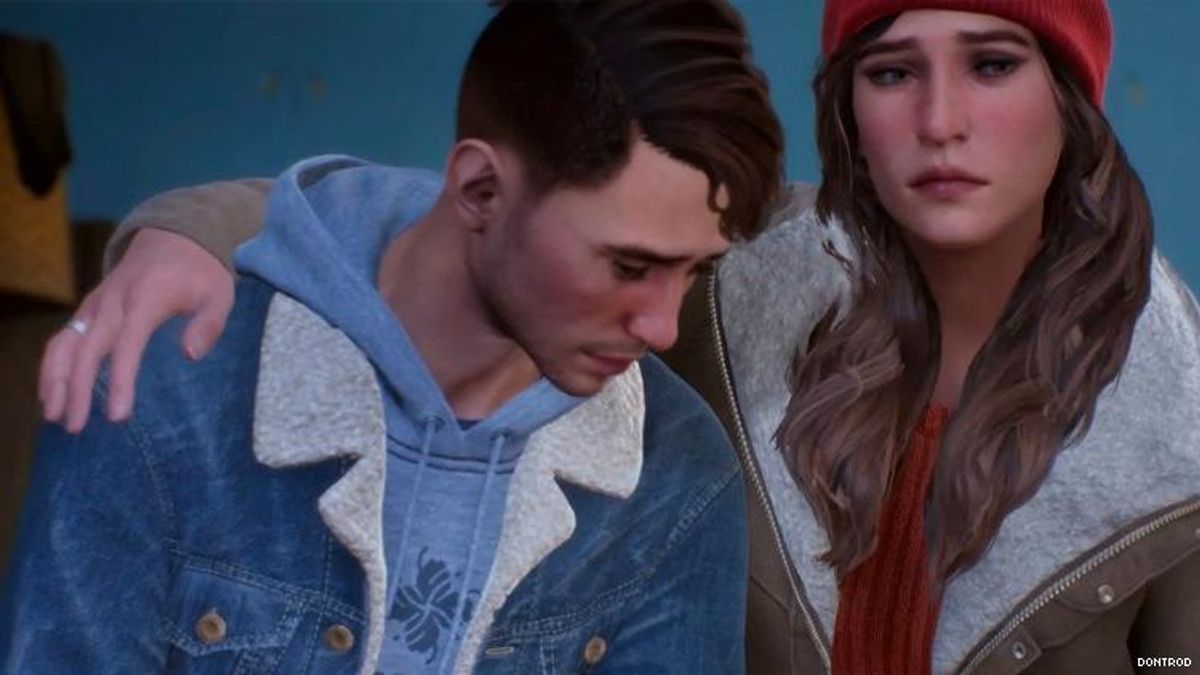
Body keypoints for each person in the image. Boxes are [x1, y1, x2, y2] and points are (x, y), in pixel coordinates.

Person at [24, 0, 1200, 674]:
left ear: (1073, 98)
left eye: (993, 65)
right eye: (892, 72)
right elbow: (469, 217)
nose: (941, 121)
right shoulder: (735, 267)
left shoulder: (1179, 418)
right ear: (848, 105)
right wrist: (184, 235)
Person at [0, 2, 786, 674]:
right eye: (629, 266)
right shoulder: (164, 396)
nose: (662, 325)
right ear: (480, 189)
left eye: (693, 271)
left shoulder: (676, 468)